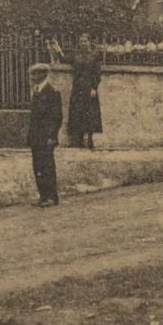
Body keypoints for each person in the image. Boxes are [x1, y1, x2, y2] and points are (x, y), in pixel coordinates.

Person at [27, 63, 64, 206]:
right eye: (32, 74)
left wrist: (52, 137)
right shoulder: (36, 92)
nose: (32, 77)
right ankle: (43, 196)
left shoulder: (52, 92)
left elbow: (56, 117)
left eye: (35, 74)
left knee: (47, 166)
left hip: (46, 137)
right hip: (36, 137)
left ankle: (51, 197)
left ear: (43, 75)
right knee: (37, 167)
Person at [66, 33, 104, 149]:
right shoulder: (75, 56)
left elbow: (97, 74)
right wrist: (57, 49)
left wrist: (94, 88)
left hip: (89, 88)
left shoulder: (94, 56)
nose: (83, 43)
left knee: (90, 113)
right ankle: (78, 139)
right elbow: (63, 59)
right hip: (78, 88)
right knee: (78, 113)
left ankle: (90, 139)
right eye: (81, 41)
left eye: (85, 41)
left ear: (89, 42)